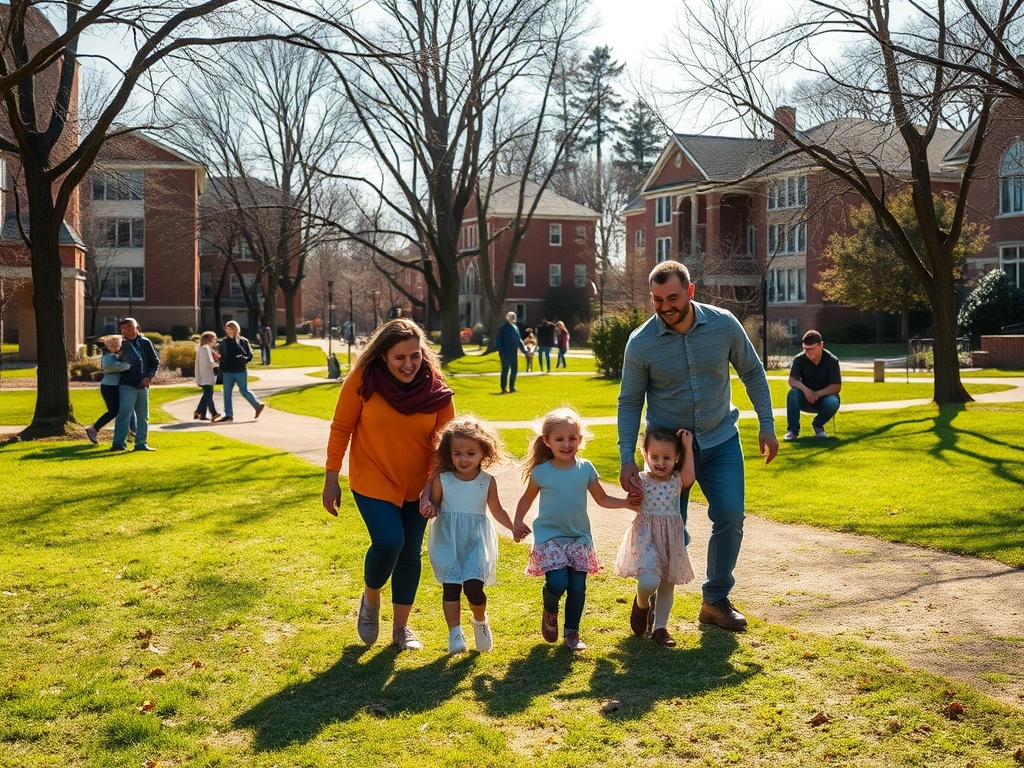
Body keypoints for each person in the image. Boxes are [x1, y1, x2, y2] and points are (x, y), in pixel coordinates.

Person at [617, 261, 777, 631]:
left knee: (730, 516)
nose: (665, 306)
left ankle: (715, 600)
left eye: (673, 297)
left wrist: (767, 425)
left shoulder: (723, 324)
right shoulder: (642, 343)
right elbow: (629, 401)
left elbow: (752, 372)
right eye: (657, 299)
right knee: (669, 527)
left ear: (690, 292)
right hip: (667, 457)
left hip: (720, 439)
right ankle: (651, 594)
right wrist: (627, 456)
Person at [322, 318, 455, 651]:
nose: (409, 364)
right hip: (373, 476)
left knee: (410, 551)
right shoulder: (362, 380)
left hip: (418, 483)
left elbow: (445, 445)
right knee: (389, 541)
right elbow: (341, 429)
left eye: (415, 356)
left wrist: (433, 486)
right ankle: (370, 600)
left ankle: (401, 628)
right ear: (383, 355)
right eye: (400, 357)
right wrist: (331, 477)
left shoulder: (435, 387)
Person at [513, 407, 636, 652]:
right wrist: (517, 521)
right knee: (558, 583)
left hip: (579, 537)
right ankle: (550, 608)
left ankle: (572, 633)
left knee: (578, 588)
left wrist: (626, 504)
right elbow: (526, 499)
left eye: (573, 438)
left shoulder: (586, 468)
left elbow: (601, 499)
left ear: (580, 439)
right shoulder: (542, 472)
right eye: (560, 439)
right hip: (549, 537)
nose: (567, 444)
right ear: (547, 441)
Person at [424, 417, 520, 654]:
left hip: (476, 539)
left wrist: (513, 527)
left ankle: (480, 621)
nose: (463, 459)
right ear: (449, 453)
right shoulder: (442, 479)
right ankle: (454, 633)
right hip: (448, 539)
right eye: (457, 453)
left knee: (474, 588)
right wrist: (429, 508)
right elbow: (435, 504)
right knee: (451, 587)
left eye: (470, 453)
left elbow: (497, 509)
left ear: (483, 454)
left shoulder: (487, 482)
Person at [615, 426, 696, 647]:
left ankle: (661, 628)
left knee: (667, 584)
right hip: (646, 537)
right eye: (655, 457)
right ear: (645, 455)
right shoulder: (641, 480)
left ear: (677, 458)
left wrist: (688, 446)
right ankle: (642, 604)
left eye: (667, 457)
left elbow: (690, 476)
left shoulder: (677, 480)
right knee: (650, 580)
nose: (660, 462)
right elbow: (630, 498)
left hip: (671, 539)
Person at [111, 317, 160, 453]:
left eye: (128, 327)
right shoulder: (121, 344)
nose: (125, 329)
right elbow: (112, 361)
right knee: (125, 412)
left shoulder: (145, 342)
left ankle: (141, 443)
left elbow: (155, 361)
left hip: (143, 384)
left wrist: (149, 377)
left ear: (135, 327)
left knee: (143, 414)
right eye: (123, 327)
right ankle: (119, 443)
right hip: (127, 383)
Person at [784, 330, 842, 440]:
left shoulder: (832, 361)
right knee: (793, 393)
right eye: (806, 349)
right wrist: (807, 391)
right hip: (804, 398)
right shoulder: (799, 359)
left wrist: (817, 394)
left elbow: (836, 387)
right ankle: (793, 430)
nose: (809, 352)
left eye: (812, 349)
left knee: (833, 402)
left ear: (821, 345)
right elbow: (792, 380)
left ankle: (818, 425)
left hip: (824, 399)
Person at [85, 335, 135, 444]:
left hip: (114, 387)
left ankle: (131, 432)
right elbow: (110, 367)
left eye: (116, 344)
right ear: (107, 345)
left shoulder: (116, 356)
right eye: (111, 344)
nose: (114, 346)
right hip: (109, 387)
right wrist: (129, 366)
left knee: (125, 409)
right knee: (114, 411)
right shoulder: (108, 356)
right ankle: (94, 428)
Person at [219, 320, 266, 422]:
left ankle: (257, 406)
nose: (228, 331)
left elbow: (249, 355)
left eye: (230, 329)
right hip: (227, 371)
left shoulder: (243, 341)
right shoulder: (224, 342)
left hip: (240, 370)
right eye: (227, 329)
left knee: (244, 391)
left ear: (235, 329)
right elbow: (221, 355)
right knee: (226, 393)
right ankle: (228, 415)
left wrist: (243, 358)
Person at [494, 311, 528, 393]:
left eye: (514, 316)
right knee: (505, 369)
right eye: (512, 316)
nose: (514, 318)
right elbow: (498, 340)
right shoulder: (503, 327)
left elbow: (519, 340)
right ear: (508, 317)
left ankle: (512, 387)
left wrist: (524, 350)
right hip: (505, 352)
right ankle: (503, 387)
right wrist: (501, 351)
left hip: (513, 352)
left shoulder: (515, 327)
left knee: (514, 370)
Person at [193, 331, 222, 422]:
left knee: (207, 394)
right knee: (208, 394)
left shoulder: (202, 348)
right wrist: (217, 365)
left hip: (203, 376)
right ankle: (213, 413)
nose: (215, 340)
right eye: (214, 338)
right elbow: (209, 362)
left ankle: (200, 412)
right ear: (208, 339)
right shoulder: (205, 348)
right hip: (206, 376)